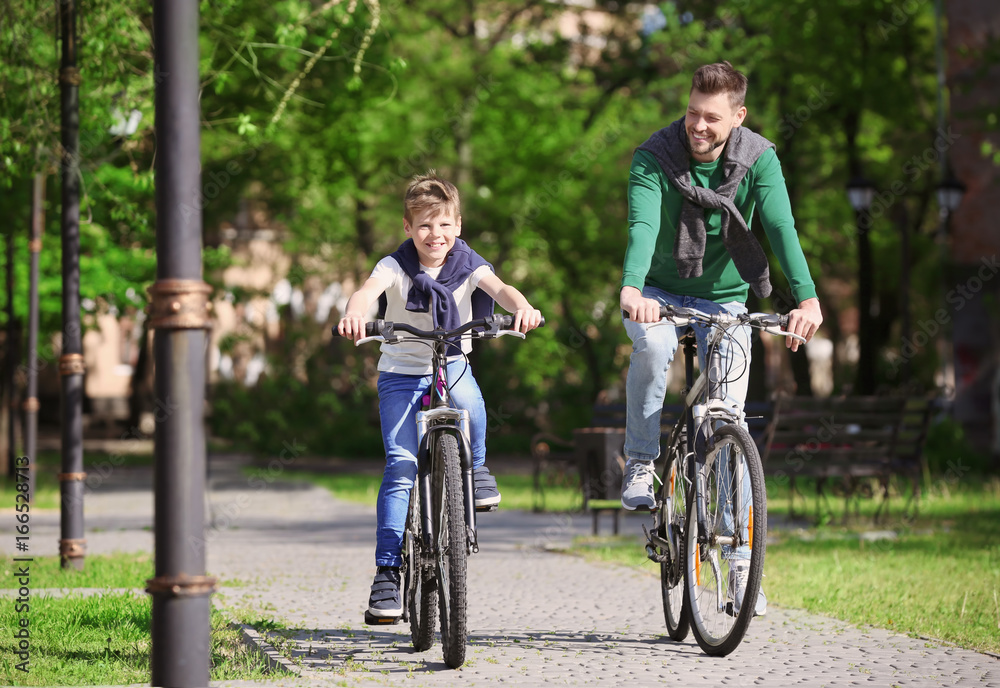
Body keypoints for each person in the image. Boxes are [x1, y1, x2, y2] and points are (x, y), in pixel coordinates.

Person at [618, 62, 823, 615]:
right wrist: (633, 288)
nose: (698, 126)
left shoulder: (761, 160)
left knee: (728, 419)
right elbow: (643, 228)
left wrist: (805, 299)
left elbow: (781, 229)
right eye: (692, 113)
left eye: (712, 117)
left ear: (738, 116)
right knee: (656, 346)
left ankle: (738, 567)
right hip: (658, 292)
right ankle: (641, 461)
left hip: (728, 298)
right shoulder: (654, 156)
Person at [338, 173, 543, 620]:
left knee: (472, 405)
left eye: (445, 225)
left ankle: (480, 467)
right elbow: (365, 293)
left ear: (459, 225)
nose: (437, 235)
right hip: (400, 374)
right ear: (408, 228)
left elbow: (500, 289)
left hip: (452, 364)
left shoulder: (469, 263)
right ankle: (387, 574)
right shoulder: (395, 266)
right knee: (401, 466)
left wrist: (521, 309)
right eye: (425, 226)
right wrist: (355, 316)